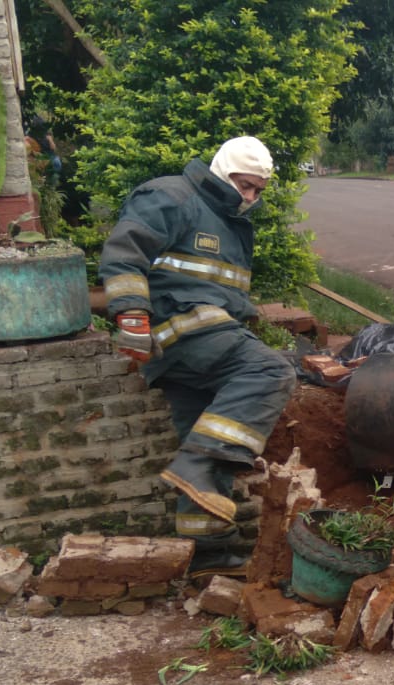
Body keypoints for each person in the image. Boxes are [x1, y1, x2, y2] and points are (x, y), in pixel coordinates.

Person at [99, 136, 298, 573]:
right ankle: (193, 466)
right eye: (246, 186)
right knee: (271, 371)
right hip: (185, 327)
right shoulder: (171, 196)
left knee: (208, 441)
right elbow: (123, 254)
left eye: (259, 191)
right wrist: (131, 317)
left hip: (195, 346)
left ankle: (208, 555)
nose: (251, 198)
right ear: (224, 171)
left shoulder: (230, 221)